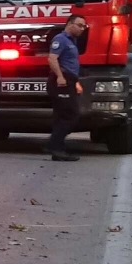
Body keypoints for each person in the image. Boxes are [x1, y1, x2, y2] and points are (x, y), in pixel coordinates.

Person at [47, 14, 87, 161]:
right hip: (61, 82)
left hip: (69, 80)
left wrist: (75, 82)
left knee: (61, 116)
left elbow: (71, 64)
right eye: (80, 25)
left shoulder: (72, 41)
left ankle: (58, 149)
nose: (82, 29)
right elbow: (52, 58)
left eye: (84, 26)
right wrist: (60, 77)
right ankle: (53, 145)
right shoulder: (60, 39)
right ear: (70, 24)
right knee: (71, 114)